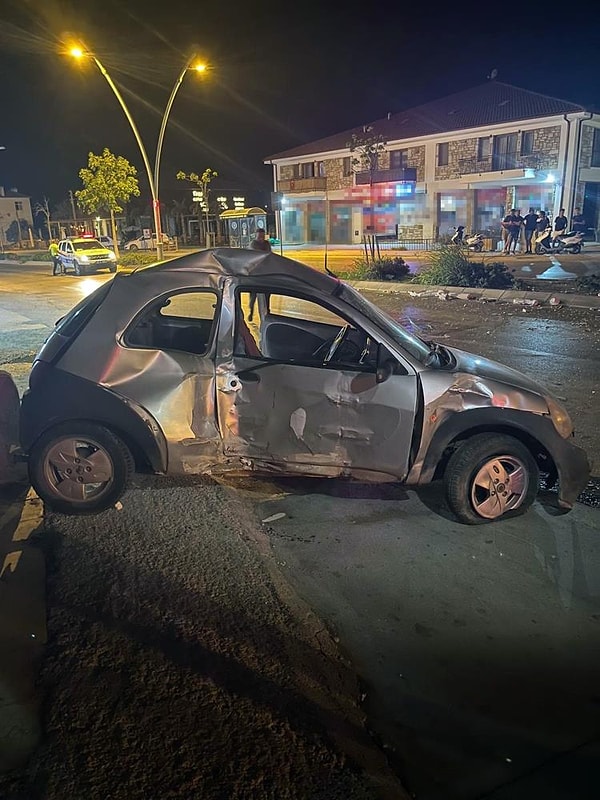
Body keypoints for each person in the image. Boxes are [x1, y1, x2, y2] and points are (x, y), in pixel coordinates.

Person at [248, 228, 271, 321]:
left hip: (265, 274)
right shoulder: (253, 244)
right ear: (256, 235)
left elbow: (269, 254)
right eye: (259, 236)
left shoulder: (266, 244)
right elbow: (256, 255)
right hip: (255, 274)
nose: (261, 238)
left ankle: (267, 312)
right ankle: (251, 311)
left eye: (262, 236)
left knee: (267, 295)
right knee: (253, 295)